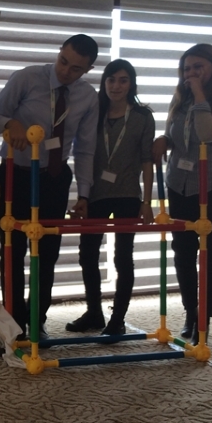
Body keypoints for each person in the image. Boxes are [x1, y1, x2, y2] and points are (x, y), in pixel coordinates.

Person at [0, 34, 99, 339]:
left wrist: (84, 193)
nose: (65, 71)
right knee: (12, 252)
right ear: (59, 52)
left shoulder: (88, 97)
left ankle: (37, 320)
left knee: (47, 253)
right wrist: (10, 123)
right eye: (63, 61)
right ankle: (13, 326)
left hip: (54, 179)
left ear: (88, 69)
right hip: (16, 174)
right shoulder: (26, 78)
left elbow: (86, 149)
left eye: (76, 68)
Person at [152, 43, 212, 346]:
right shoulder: (180, 98)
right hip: (180, 184)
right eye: (187, 68)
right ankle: (191, 312)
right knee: (183, 251)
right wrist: (163, 139)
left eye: (198, 67)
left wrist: (200, 95)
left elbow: (207, 133)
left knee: (211, 252)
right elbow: (176, 135)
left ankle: (205, 318)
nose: (191, 73)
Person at [76, 59, 155, 337]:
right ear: (104, 82)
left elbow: (147, 160)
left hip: (127, 194)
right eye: (111, 80)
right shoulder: (94, 112)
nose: (116, 86)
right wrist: (82, 194)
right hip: (96, 194)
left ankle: (117, 319)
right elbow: (83, 153)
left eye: (123, 80)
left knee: (123, 256)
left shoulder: (142, 116)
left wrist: (147, 202)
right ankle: (94, 313)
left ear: (131, 84)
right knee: (87, 254)